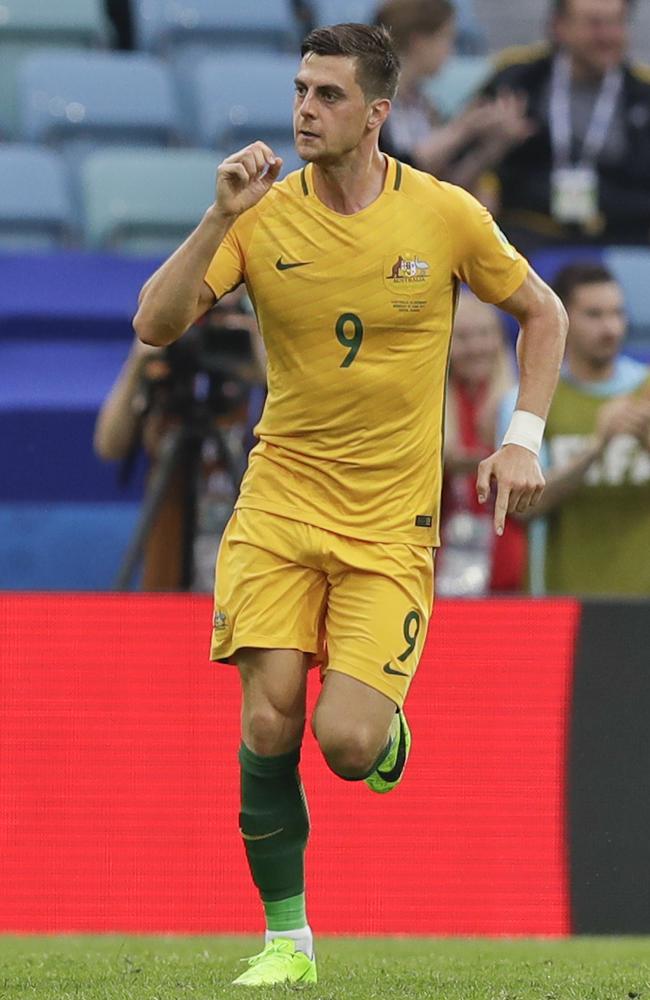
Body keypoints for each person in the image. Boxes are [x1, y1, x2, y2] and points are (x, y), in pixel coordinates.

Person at [134, 23, 567, 987]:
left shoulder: (444, 214)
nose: (303, 110)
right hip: (279, 505)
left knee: (346, 742)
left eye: (328, 96)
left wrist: (521, 439)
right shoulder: (259, 214)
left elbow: (545, 310)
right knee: (267, 722)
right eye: (299, 89)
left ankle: (386, 729)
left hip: (387, 524)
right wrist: (215, 219)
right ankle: (288, 943)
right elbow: (155, 327)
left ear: (377, 115)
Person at [94, 289, 264, 591]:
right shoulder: (169, 386)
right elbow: (109, 445)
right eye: (208, 319)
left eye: (226, 318)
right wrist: (139, 361)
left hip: (244, 566)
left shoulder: (259, 390)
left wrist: (262, 350)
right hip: (167, 562)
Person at [500, 261, 650, 596]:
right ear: (563, 318)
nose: (610, 328)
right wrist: (597, 448)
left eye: (617, 313)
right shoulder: (530, 399)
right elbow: (518, 510)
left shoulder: (647, 390)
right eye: (594, 315)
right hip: (562, 605)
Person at [482, 0, 650, 249]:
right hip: (527, 238)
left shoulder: (643, 93)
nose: (607, 36)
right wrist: (495, 147)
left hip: (625, 241)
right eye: (594, 24)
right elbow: (473, 168)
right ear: (559, 26)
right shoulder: (519, 81)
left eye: (616, 23)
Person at [375, 0, 534, 196]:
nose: (450, 50)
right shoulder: (375, 103)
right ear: (420, 42)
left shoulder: (425, 106)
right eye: (447, 38)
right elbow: (401, 168)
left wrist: (493, 147)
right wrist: (464, 127)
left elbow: (447, 186)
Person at [438, 290, 526, 595]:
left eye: (484, 334)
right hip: (443, 555)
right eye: (462, 337)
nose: (475, 347)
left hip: (506, 556)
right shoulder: (429, 402)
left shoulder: (521, 399)